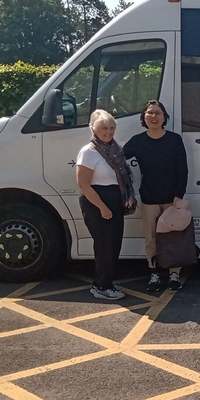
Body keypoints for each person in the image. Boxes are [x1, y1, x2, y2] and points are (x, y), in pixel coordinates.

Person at [122, 99, 189, 293]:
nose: (153, 116)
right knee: (151, 239)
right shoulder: (138, 141)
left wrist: (178, 195)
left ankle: (174, 274)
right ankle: (154, 274)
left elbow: (182, 170)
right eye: (149, 113)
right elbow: (118, 158)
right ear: (143, 117)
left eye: (157, 113)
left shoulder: (174, 140)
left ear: (164, 117)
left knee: (174, 238)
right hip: (149, 198)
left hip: (172, 199)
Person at [76, 109, 137, 300]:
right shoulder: (88, 152)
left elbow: (122, 178)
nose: (108, 132)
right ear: (93, 128)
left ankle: (106, 283)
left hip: (114, 200)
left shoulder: (115, 149)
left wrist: (128, 195)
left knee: (114, 245)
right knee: (104, 246)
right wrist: (102, 207)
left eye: (111, 128)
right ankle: (102, 286)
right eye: (103, 128)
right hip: (97, 201)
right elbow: (84, 184)